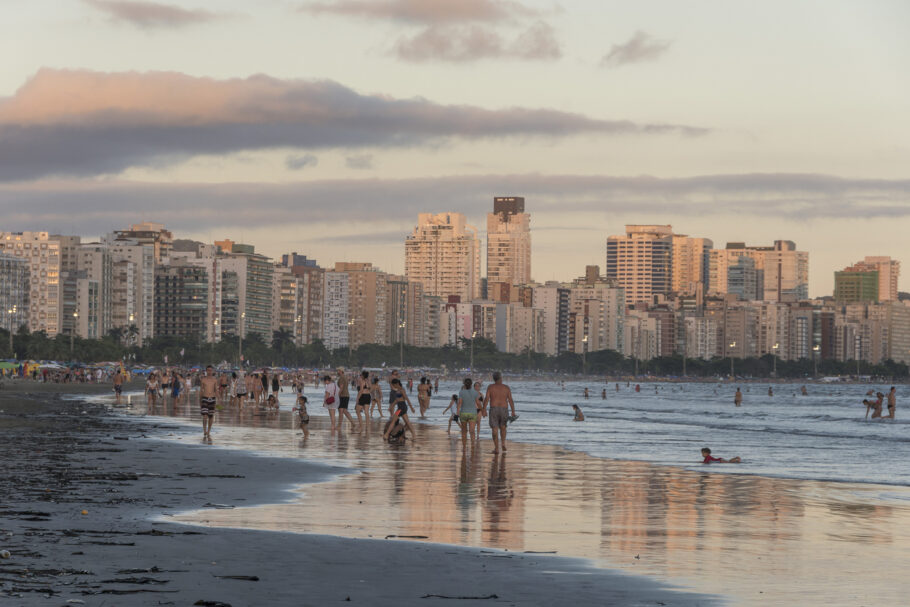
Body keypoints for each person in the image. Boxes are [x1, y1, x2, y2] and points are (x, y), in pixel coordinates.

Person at [483, 372, 517, 454]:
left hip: (494, 408)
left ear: (494, 378)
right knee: (503, 427)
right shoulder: (506, 387)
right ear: (501, 378)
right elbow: (510, 400)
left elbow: (487, 399)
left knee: (494, 429)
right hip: (504, 409)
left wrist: (483, 409)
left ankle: (496, 448)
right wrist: (513, 411)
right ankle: (503, 443)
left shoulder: (490, 387)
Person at [457, 378, 480, 447]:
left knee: (464, 431)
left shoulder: (461, 392)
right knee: (472, 431)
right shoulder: (475, 392)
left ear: (464, 384)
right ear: (471, 384)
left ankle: (464, 446)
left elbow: (459, 403)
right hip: (473, 413)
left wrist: (457, 413)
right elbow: (478, 403)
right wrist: (483, 410)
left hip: (463, 413)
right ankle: (473, 445)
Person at [199, 365, 218, 439]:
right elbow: (201, 390)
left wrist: (218, 400)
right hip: (204, 398)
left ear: (212, 371)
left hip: (212, 398)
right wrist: (199, 400)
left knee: (211, 416)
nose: (209, 372)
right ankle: (204, 430)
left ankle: (209, 431)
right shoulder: (203, 380)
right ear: (206, 371)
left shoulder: (215, 380)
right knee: (205, 416)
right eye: (208, 370)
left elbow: (216, 390)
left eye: (211, 370)